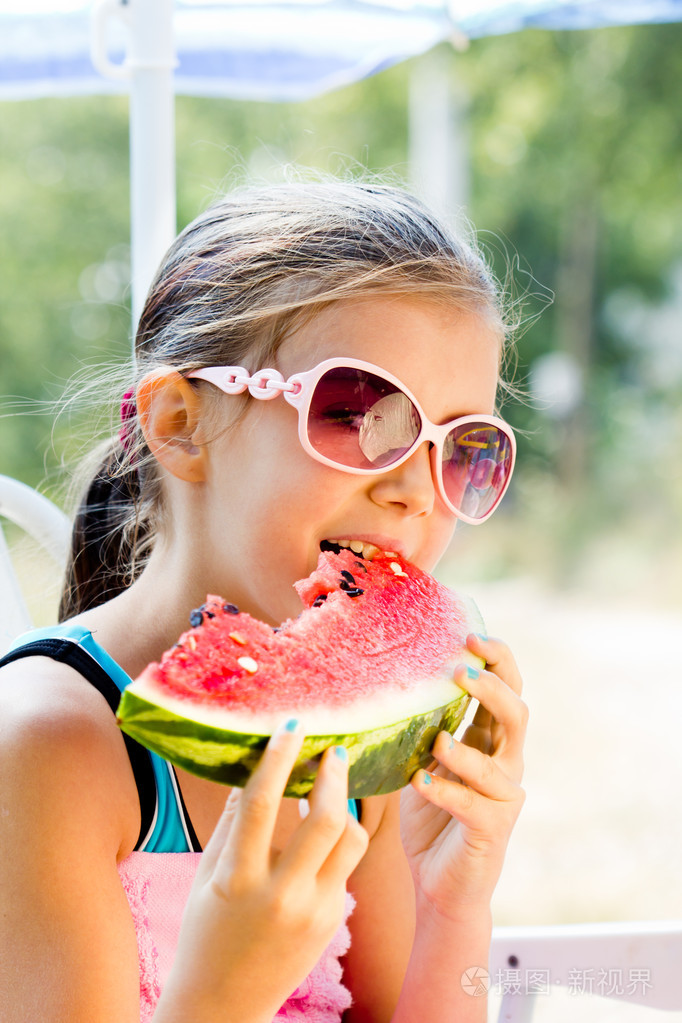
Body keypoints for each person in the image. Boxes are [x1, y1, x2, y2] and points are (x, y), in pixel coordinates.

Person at [0, 179, 527, 1023]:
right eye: (358, 413)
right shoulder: (49, 744)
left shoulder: (358, 751)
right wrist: (218, 995)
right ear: (180, 423)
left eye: (462, 446)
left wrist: (455, 907)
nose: (414, 491)